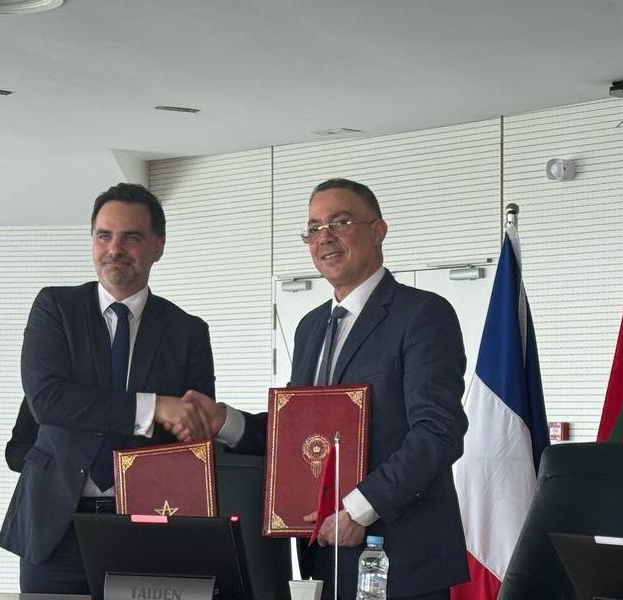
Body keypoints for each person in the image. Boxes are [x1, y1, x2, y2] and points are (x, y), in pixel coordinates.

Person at [194, 178, 470, 600]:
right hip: (323, 556)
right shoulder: (310, 328)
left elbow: (438, 432)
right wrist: (224, 422)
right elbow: (298, 433)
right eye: (313, 228)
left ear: (378, 231)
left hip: (400, 560)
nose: (324, 237)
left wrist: (360, 508)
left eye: (339, 222)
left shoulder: (422, 314)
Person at [0, 183, 218, 594]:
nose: (114, 249)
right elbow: (48, 401)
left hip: (147, 529)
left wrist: (190, 421)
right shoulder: (55, 308)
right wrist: (155, 408)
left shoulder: (187, 331)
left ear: (158, 246)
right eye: (104, 236)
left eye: (130, 237)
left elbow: (196, 426)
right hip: (55, 527)